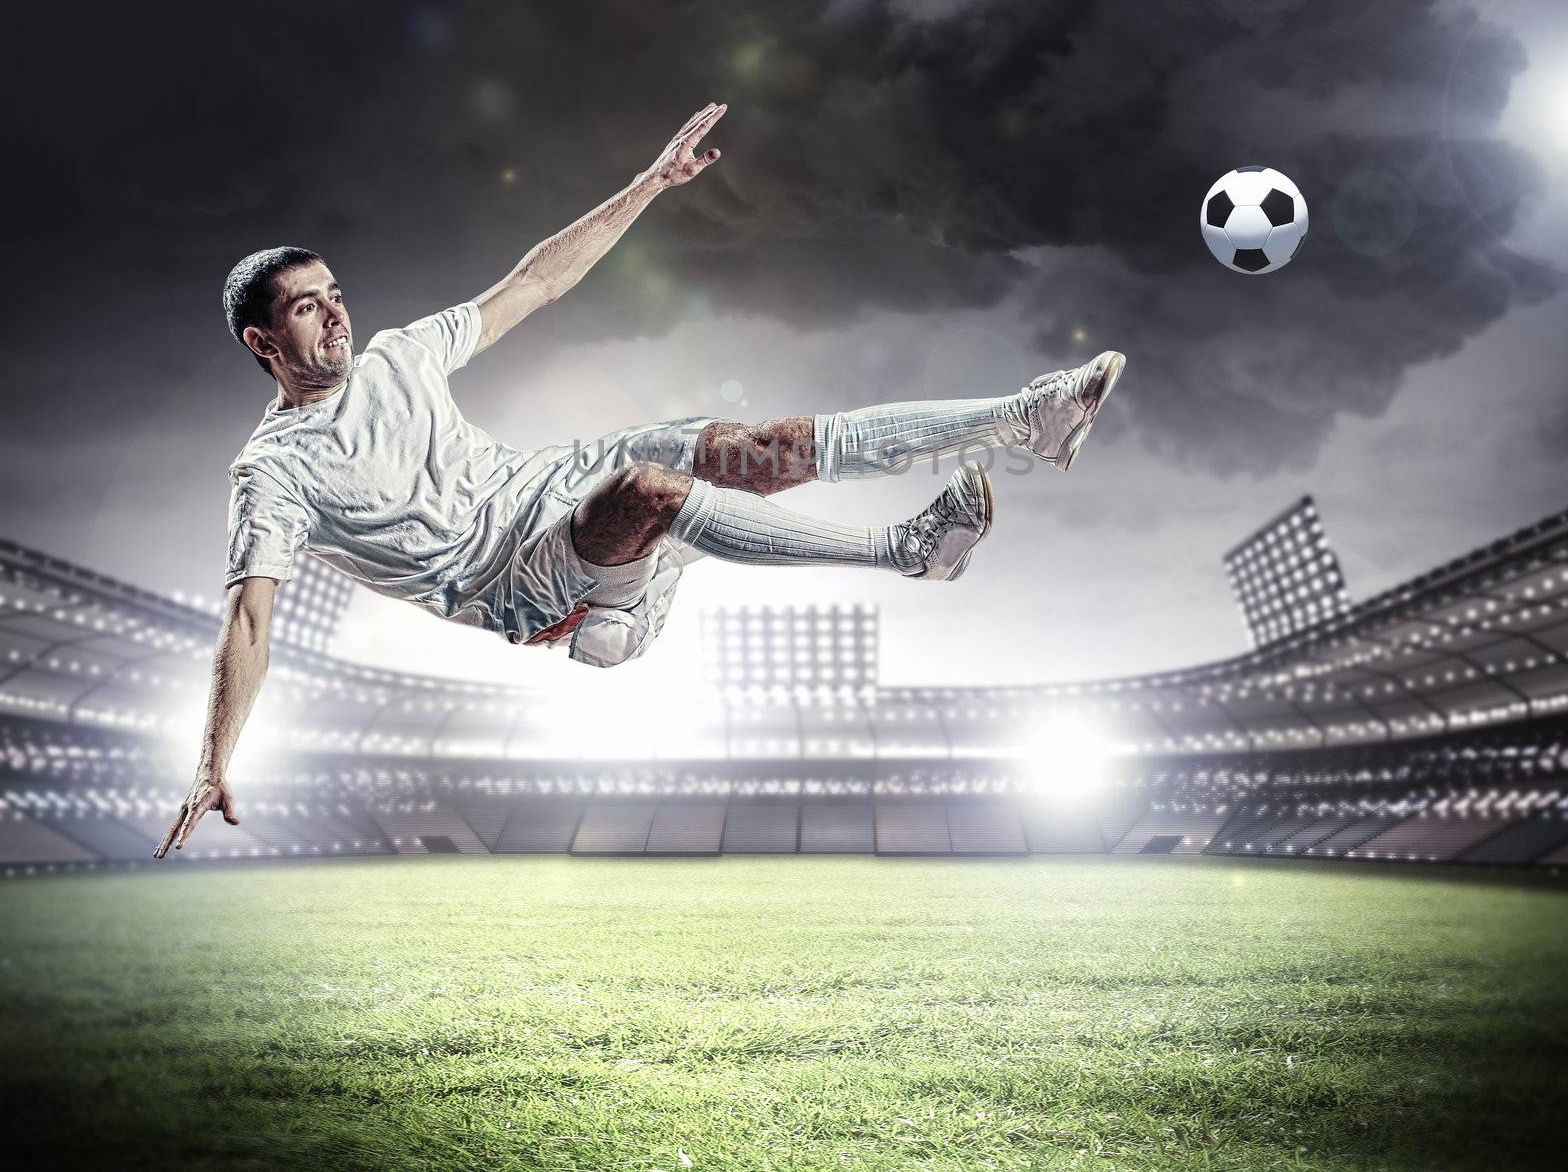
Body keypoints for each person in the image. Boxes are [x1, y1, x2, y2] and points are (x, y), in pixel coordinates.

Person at [154, 103, 1124, 856]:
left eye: (336, 296)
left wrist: (650, 184)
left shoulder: (402, 356)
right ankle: (904, 550)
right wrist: (210, 762)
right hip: (511, 581)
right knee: (652, 494)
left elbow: (531, 282)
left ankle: (1024, 420)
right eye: (307, 311)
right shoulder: (271, 471)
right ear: (261, 341)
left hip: (555, 483)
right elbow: (248, 620)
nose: (335, 318)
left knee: (758, 450)